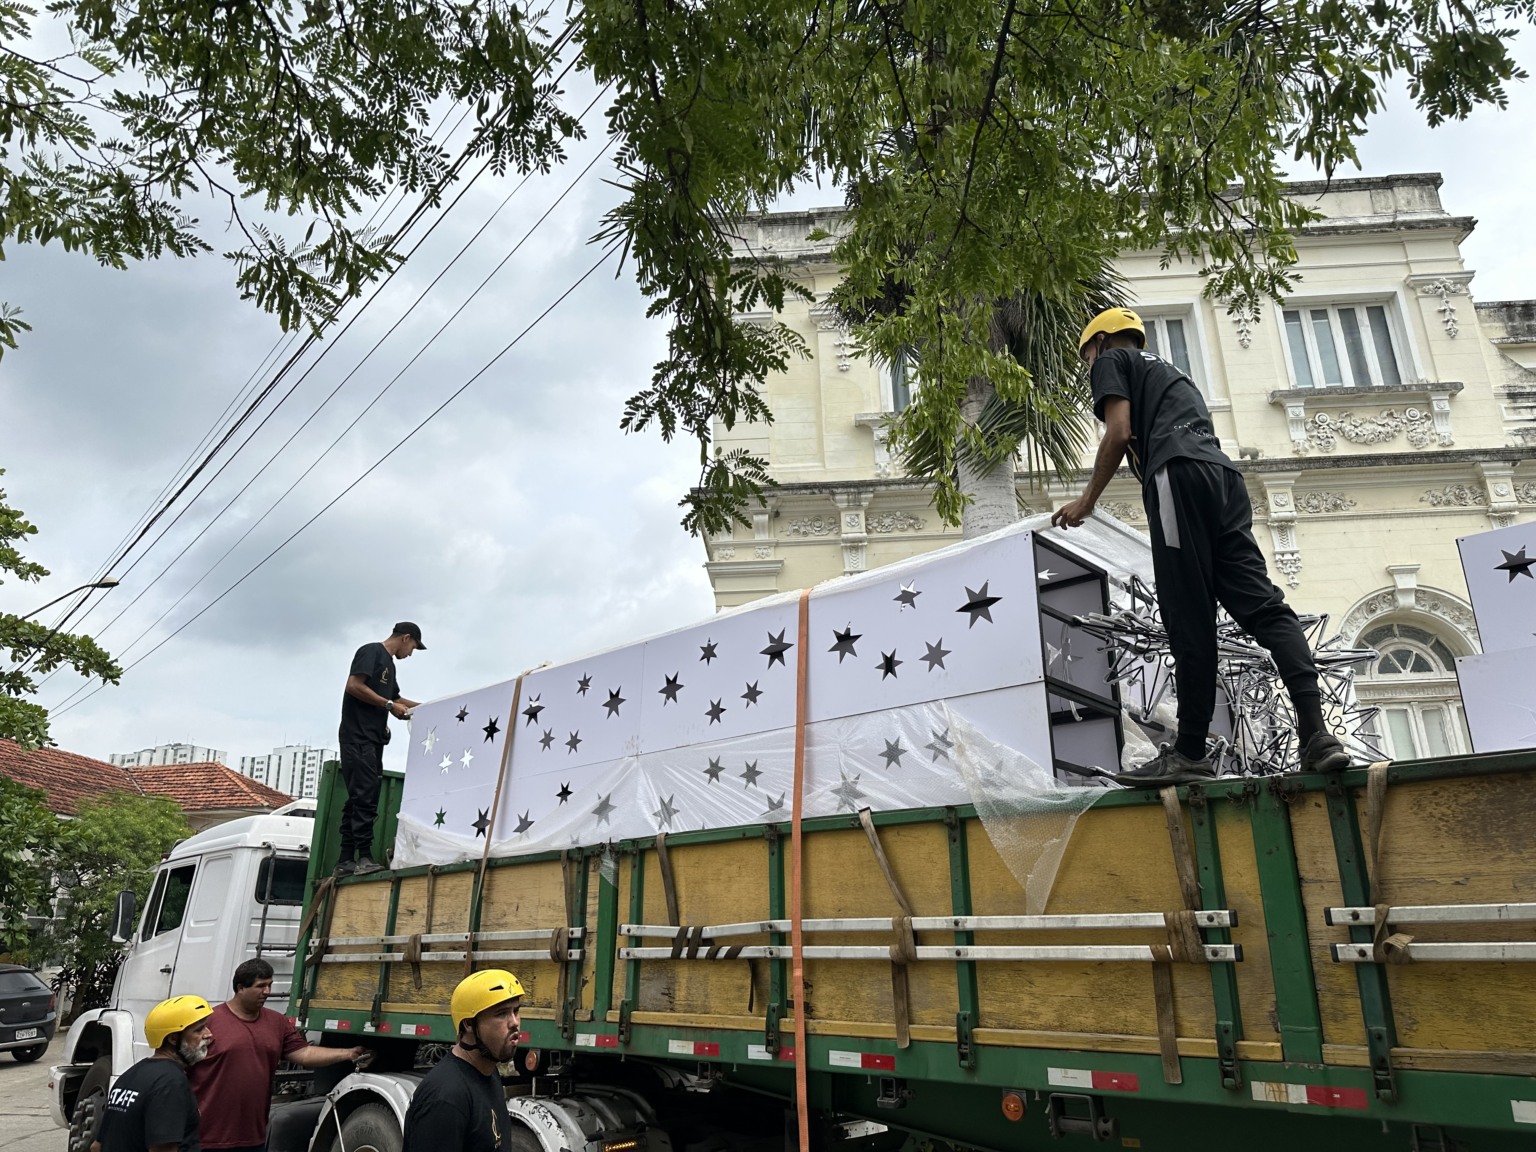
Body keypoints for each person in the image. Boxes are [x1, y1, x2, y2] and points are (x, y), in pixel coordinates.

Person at [1051, 307, 1350, 784]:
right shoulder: (1176, 376)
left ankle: (1189, 751)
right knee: (1265, 609)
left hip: (1177, 476)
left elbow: (1119, 431)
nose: (1088, 366)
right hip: (1225, 481)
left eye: (1086, 355)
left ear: (1103, 342)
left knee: (1188, 615)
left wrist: (1087, 500)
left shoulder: (1115, 362)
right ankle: (1316, 734)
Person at [187, 959, 367, 1152]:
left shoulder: (277, 1022)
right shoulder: (209, 1022)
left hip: (252, 1136)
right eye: (261, 986)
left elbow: (304, 1053)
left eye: (270, 985)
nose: (267, 992)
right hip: (207, 1137)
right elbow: (180, 1067)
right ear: (240, 988)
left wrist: (348, 1053)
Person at [401, 970, 524, 1152]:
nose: (514, 1022)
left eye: (516, 1011)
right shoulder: (446, 1098)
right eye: (501, 1014)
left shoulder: (489, 1073)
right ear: (468, 1024)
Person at [337, 621, 425, 874]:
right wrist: (387, 706)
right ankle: (364, 857)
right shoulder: (372, 651)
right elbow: (354, 686)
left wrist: (427, 708)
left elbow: (396, 699)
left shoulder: (390, 665)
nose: (410, 655)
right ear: (406, 638)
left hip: (373, 739)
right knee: (364, 797)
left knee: (361, 797)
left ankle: (345, 860)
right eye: (413, 648)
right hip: (357, 737)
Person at [93, 995, 213, 1152]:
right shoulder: (171, 1083)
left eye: (206, 1027)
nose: (209, 1034)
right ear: (173, 1038)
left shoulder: (132, 1074)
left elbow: (97, 1146)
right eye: (199, 1030)